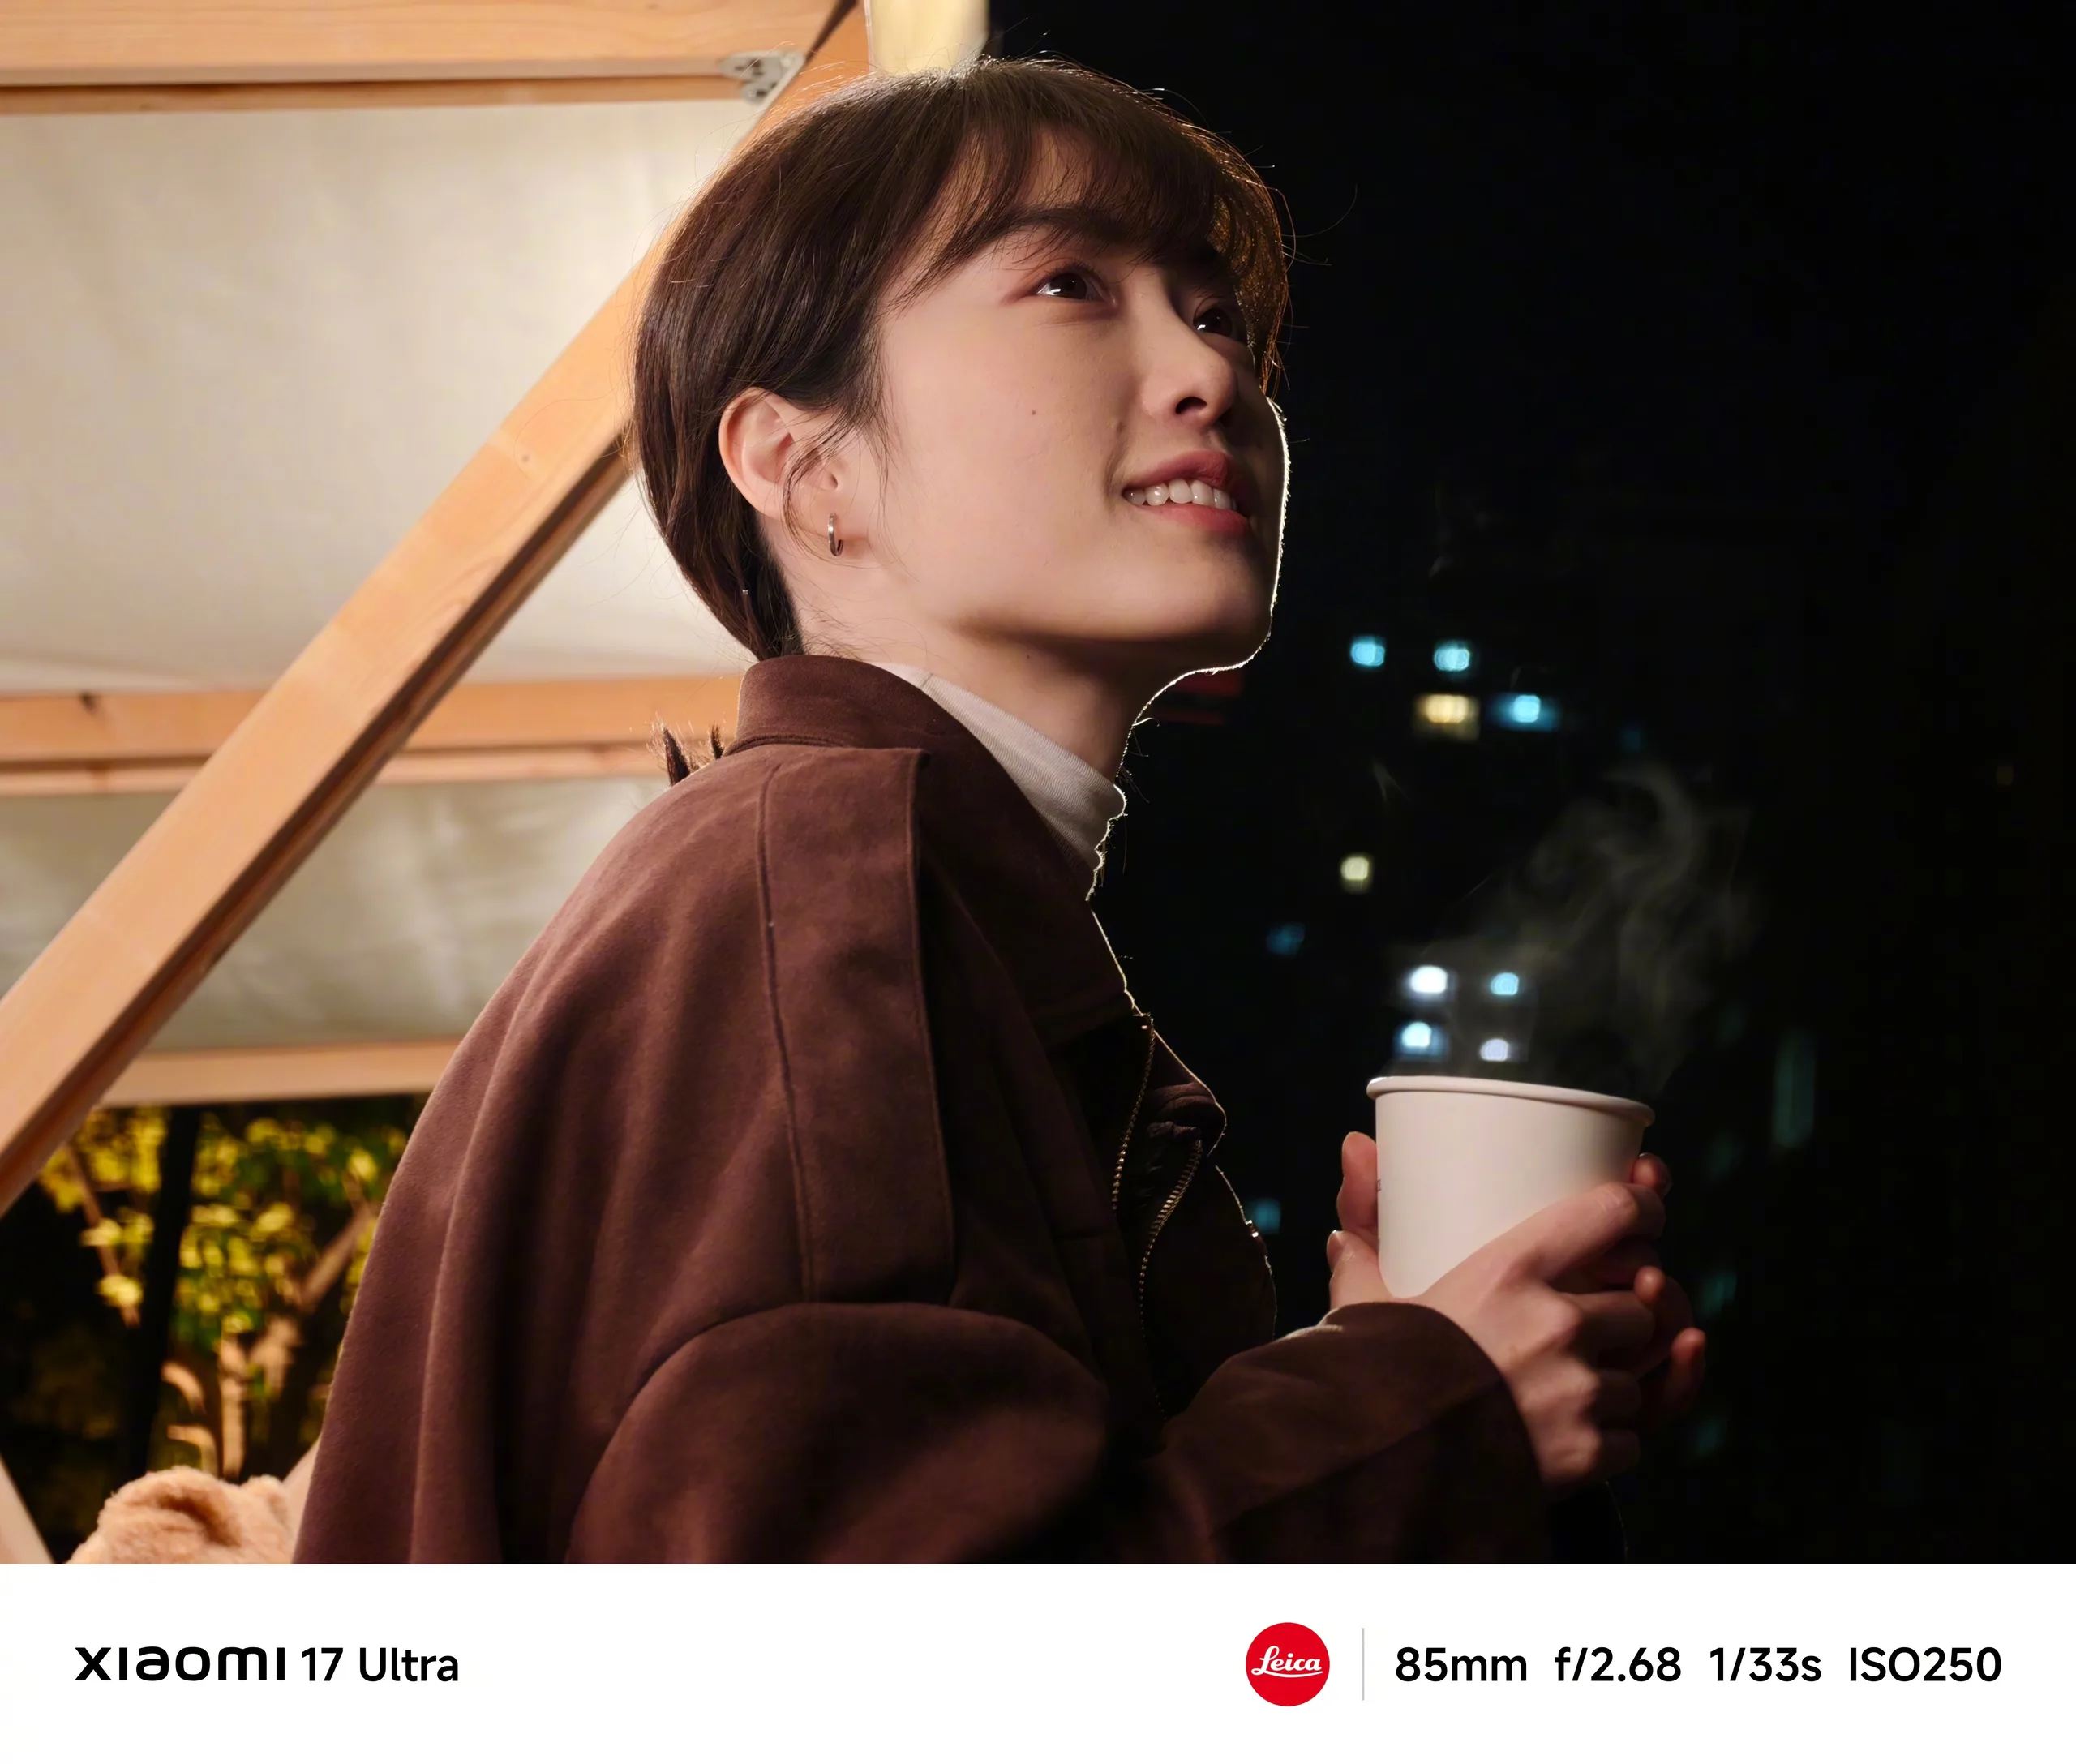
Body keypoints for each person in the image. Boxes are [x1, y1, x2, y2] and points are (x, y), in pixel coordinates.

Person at [295, 57, 1703, 1564]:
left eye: (1217, 313)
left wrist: (1422, 1394)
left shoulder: (875, 890)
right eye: (1070, 285)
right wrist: (1427, 1408)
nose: (1211, 373)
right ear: (804, 466)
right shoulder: (821, 894)